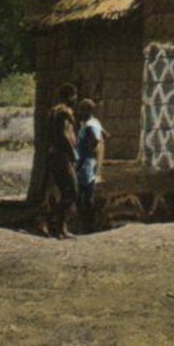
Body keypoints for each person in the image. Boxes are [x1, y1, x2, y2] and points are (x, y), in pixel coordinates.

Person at [41, 84, 79, 238]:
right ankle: (54, 222)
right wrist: (73, 153)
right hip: (62, 156)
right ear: (70, 95)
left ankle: (58, 227)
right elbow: (65, 134)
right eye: (74, 96)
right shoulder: (65, 111)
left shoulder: (53, 111)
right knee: (72, 192)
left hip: (53, 155)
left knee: (65, 192)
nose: (76, 99)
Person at [74, 98, 105, 233]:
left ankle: (88, 225)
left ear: (88, 110)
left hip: (86, 162)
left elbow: (95, 141)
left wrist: (82, 159)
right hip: (87, 161)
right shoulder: (92, 123)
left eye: (82, 109)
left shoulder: (90, 126)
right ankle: (88, 224)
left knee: (85, 195)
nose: (79, 112)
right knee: (86, 194)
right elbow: (105, 135)